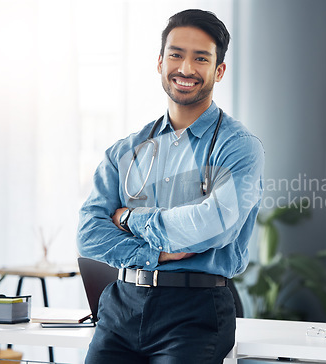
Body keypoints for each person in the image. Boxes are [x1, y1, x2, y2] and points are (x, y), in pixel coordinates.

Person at [77, 8, 264, 364]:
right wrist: (156, 254)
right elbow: (89, 233)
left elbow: (211, 227)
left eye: (201, 58)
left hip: (194, 312)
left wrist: (130, 218)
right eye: (176, 55)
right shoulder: (125, 150)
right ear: (160, 62)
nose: (186, 68)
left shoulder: (238, 146)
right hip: (121, 307)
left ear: (218, 70)